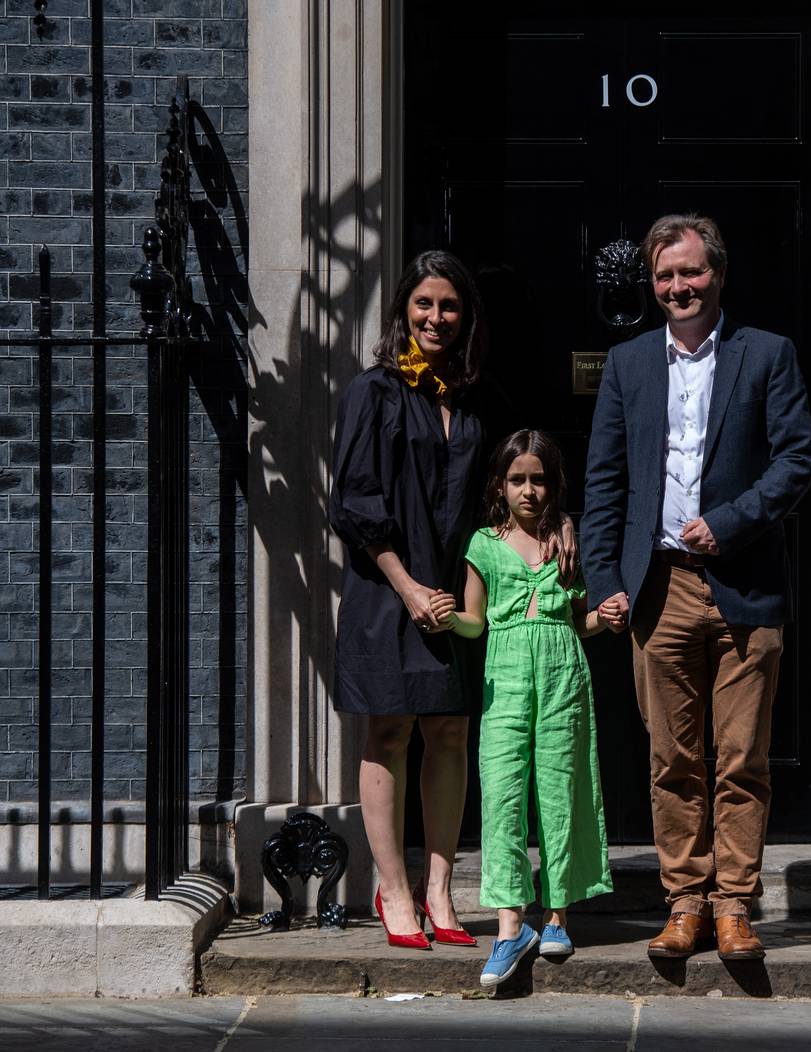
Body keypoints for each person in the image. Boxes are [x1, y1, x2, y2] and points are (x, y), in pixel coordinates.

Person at [581, 214, 811, 961]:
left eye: (690, 273)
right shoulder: (628, 364)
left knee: (743, 757)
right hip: (660, 589)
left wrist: (732, 522)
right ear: (651, 284)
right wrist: (605, 581)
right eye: (664, 277)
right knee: (672, 760)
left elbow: (797, 460)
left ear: (718, 274)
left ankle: (735, 907)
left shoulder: (768, 355)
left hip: (744, 584)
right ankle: (684, 903)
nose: (678, 288)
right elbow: (605, 482)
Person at [329, 251, 575, 950]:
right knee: (389, 732)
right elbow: (352, 502)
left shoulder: (476, 397)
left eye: (450, 307)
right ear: (404, 310)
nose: (436, 318)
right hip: (388, 591)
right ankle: (394, 890)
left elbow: (515, 483)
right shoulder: (371, 393)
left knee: (448, 732)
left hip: (460, 589)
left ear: (466, 317)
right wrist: (407, 587)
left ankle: (441, 889)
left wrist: (557, 521)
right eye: (424, 304)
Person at [448, 430, 624, 989]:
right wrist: (450, 617)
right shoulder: (482, 544)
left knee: (560, 789)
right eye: (518, 479)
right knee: (501, 792)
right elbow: (476, 622)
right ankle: (508, 927)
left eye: (539, 479)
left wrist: (607, 616)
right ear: (500, 484)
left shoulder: (568, 543)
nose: (529, 490)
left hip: (562, 670)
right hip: (505, 673)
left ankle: (556, 916)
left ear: (553, 485)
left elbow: (579, 621)